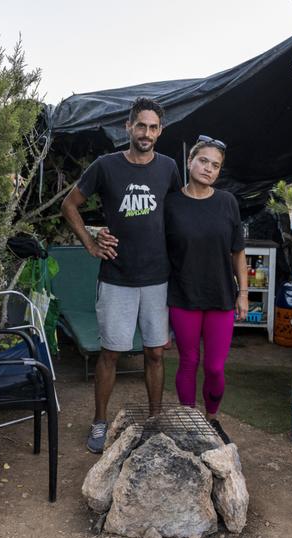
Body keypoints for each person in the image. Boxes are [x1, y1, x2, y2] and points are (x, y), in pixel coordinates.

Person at [60, 97, 182, 453]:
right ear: (128, 127)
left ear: (160, 131)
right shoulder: (106, 166)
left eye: (153, 127)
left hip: (158, 278)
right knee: (110, 353)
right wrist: (90, 240)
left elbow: (179, 214)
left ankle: (155, 420)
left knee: (155, 353)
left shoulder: (170, 168)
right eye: (140, 125)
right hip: (116, 277)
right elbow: (69, 204)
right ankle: (99, 422)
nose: (146, 133)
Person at [164, 135, 248, 444]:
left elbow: (237, 251)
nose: (208, 168)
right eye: (203, 161)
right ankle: (188, 418)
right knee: (188, 361)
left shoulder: (227, 202)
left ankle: (211, 419)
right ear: (189, 161)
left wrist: (243, 293)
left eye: (215, 165)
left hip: (221, 296)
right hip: (183, 296)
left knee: (214, 367)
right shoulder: (170, 203)